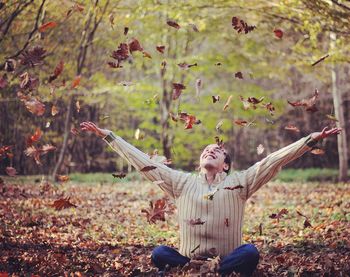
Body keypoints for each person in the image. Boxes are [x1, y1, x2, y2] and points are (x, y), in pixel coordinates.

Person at [80, 121, 341, 276]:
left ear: (225, 165)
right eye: (206, 151)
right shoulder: (180, 182)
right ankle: (193, 271)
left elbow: (273, 161)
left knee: (250, 252)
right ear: (199, 163)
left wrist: (310, 140)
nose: (210, 152)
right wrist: (108, 136)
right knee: (159, 253)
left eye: (216, 151)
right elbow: (143, 162)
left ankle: (217, 272)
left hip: (228, 261)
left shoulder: (241, 182)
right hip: (186, 259)